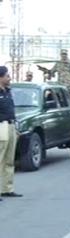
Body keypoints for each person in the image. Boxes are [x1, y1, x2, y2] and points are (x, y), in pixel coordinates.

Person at [0, 66, 23, 199]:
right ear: (1, 77)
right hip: (0, 127)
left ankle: (6, 188)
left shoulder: (8, 91)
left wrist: (16, 129)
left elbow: (11, 111)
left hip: (10, 126)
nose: (9, 78)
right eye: (7, 76)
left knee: (9, 160)